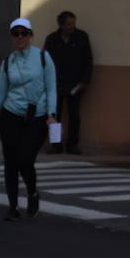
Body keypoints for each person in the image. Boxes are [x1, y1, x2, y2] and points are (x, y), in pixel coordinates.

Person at [0, 18, 57, 221]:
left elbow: (51, 88)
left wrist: (52, 114)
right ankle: (12, 206)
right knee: (11, 163)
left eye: (24, 33)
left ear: (30, 35)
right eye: (16, 34)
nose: (20, 37)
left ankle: (32, 193)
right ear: (11, 37)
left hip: (36, 117)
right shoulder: (8, 62)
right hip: (11, 115)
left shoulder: (42, 57)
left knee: (25, 160)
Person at [42, 10, 93, 154]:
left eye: (73, 24)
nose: (72, 27)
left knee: (74, 116)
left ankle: (72, 145)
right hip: (55, 84)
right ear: (61, 25)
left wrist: (85, 81)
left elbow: (88, 60)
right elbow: (45, 61)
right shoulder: (52, 39)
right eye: (69, 25)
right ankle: (56, 145)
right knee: (55, 115)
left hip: (75, 84)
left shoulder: (82, 37)